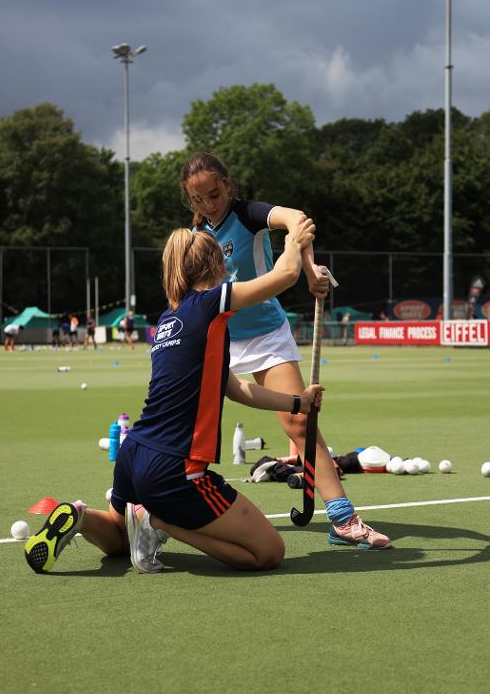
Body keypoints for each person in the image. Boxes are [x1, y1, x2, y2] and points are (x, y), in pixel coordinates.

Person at [25, 221, 325, 575]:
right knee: (268, 552)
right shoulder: (211, 302)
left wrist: (296, 403)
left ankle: (80, 517)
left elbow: (233, 387)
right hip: (174, 469)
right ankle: (158, 521)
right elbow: (286, 274)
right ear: (218, 266)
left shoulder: (169, 319)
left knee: (120, 541)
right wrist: (295, 238)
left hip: (132, 457)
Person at [180, 151, 391, 550]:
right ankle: (155, 508)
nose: (210, 205)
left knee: (299, 421)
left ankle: (343, 520)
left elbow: (297, 221)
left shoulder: (247, 215)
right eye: (199, 200)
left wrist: (310, 270)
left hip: (264, 335)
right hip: (215, 336)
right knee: (184, 426)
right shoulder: (192, 237)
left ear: (228, 184)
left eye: (215, 194)